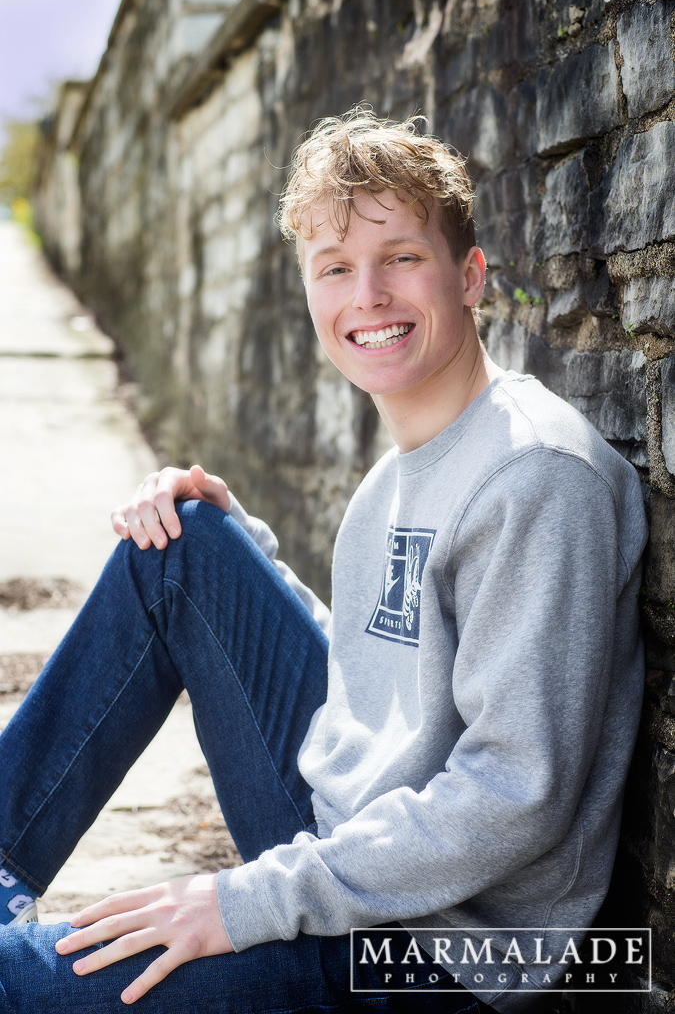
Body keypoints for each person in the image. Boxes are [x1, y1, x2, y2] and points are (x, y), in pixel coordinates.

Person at [0, 109, 647, 1013]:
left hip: (442, 961)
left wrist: (243, 901)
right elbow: (390, 684)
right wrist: (240, 551)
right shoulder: (396, 477)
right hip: (353, 851)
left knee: (12, 979)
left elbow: (514, 792)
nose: (367, 295)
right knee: (177, 546)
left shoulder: (533, 476)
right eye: (336, 268)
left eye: (401, 259)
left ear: (470, 277)